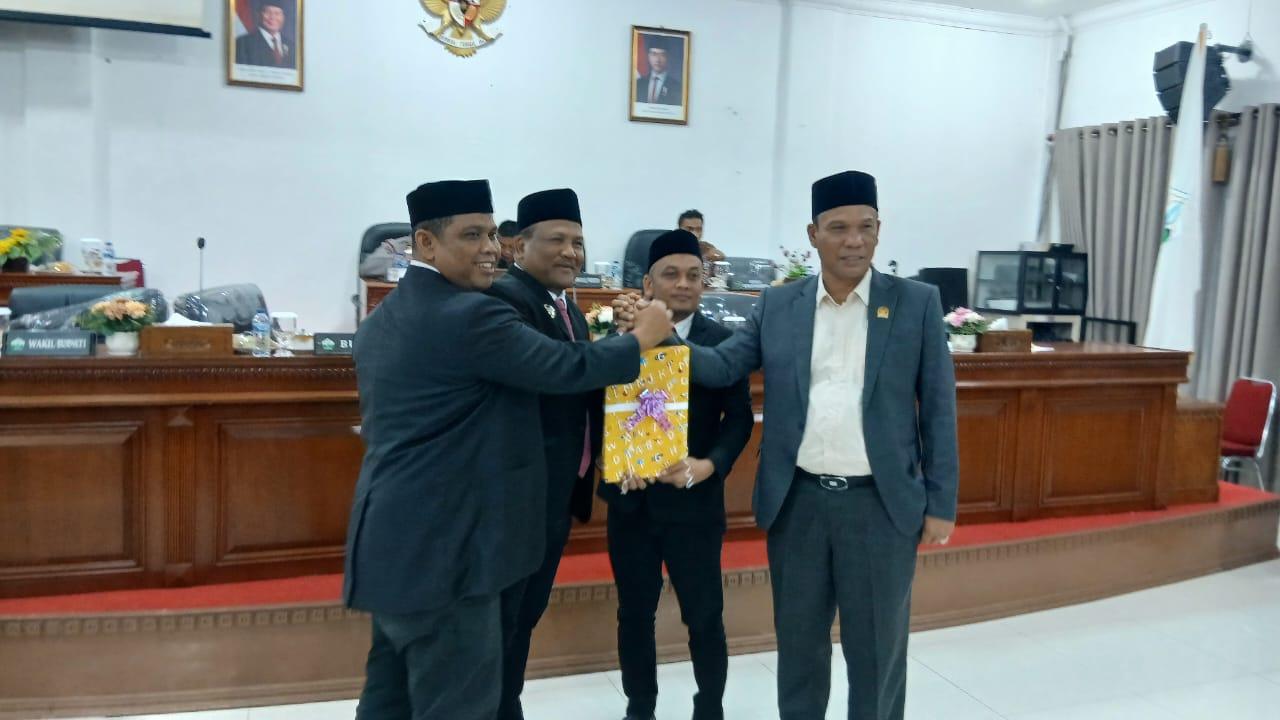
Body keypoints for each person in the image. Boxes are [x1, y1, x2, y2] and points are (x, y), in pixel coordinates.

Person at [616, 170, 959, 720]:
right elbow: (723, 365)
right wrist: (663, 340)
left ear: (879, 230)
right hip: (798, 503)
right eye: (839, 228)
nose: (854, 241)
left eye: (866, 227)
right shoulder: (778, 305)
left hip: (881, 506)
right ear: (813, 234)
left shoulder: (916, 303)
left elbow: (939, 408)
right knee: (799, 648)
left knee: (877, 653)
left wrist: (941, 502)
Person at [344, 178, 673, 720]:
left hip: (391, 544)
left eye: (493, 234)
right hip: (453, 554)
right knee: (459, 704)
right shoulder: (471, 313)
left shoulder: (382, 319)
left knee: (389, 701)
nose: (490, 249)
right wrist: (642, 337)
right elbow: (563, 367)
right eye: (472, 235)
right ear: (425, 243)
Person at [601, 229, 754, 720]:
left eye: (693, 274)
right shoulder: (620, 339)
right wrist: (612, 464)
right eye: (671, 274)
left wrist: (709, 465)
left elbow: (740, 420)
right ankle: (639, 707)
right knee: (634, 614)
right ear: (648, 282)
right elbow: (595, 416)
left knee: (705, 616)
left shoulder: (723, 343)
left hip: (695, 504)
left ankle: (709, 707)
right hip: (632, 505)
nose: (684, 283)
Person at [486, 189, 599, 720]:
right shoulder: (507, 301)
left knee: (524, 616)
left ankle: (507, 703)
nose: (571, 252)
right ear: (518, 245)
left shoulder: (566, 306)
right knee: (505, 620)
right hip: (519, 499)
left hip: (555, 493)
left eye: (578, 242)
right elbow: (558, 371)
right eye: (557, 240)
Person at [234, 1, 296, 68]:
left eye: (277, 13)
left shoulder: (292, 46)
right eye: (268, 12)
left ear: (283, 17)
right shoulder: (243, 43)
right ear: (259, 15)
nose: (272, 17)